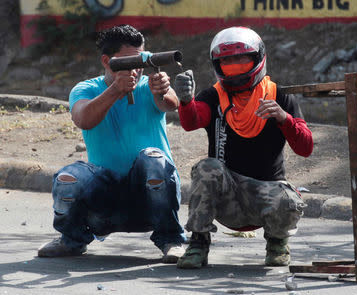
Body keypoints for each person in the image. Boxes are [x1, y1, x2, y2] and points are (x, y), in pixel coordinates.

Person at [37, 24, 186, 263]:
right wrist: (116, 90)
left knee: (154, 159)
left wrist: (163, 89)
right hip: (105, 201)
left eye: (138, 62)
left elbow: (170, 104)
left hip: (152, 195)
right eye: (126, 62)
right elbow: (83, 119)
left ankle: (172, 239)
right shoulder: (85, 89)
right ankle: (71, 239)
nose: (135, 70)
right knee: (68, 179)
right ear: (106, 61)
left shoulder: (148, 86)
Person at [173, 26, 313, 269]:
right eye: (227, 61)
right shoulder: (214, 96)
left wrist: (284, 119)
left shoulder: (280, 96)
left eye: (241, 59)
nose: (234, 66)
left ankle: (277, 243)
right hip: (227, 198)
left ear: (258, 59)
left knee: (289, 198)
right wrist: (186, 102)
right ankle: (198, 243)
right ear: (218, 65)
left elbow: (306, 147)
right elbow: (192, 121)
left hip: (266, 196)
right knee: (207, 167)